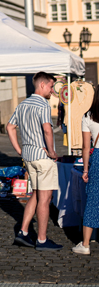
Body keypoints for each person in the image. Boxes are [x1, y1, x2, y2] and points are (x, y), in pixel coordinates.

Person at [6, 71, 62, 251]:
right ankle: (42, 239)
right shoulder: (43, 105)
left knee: (36, 194)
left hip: (29, 155)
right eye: (51, 86)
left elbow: (10, 127)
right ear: (42, 85)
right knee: (45, 199)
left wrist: (19, 149)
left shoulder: (22, 105)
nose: (53, 90)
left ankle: (23, 231)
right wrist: (52, 151)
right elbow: (47, 130)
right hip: (42, 156)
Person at [72, 84, 99, 255]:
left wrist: (85, 170)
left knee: (94, 198)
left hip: (97, 156)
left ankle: (86, 243)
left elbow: (85, 146)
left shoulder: (88, 116)